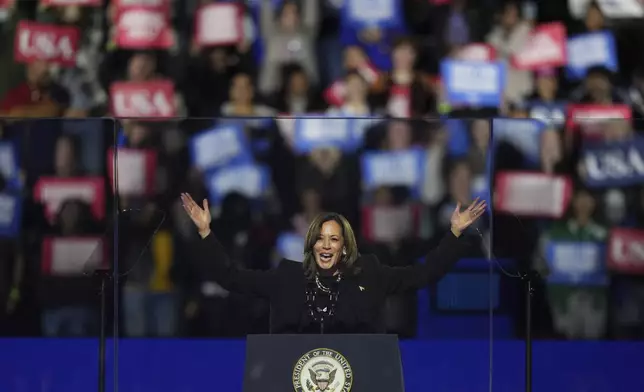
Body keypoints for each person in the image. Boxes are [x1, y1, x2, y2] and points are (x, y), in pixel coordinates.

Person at [180, 193, 486, 334]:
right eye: (320, 239)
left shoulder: (370, 273)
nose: (326, 245)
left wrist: (454, 234)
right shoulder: (286, 277)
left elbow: (423, 274)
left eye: (334, 239)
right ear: (311, 244)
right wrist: (206, 233)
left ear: (345, 246)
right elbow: (230, 277)